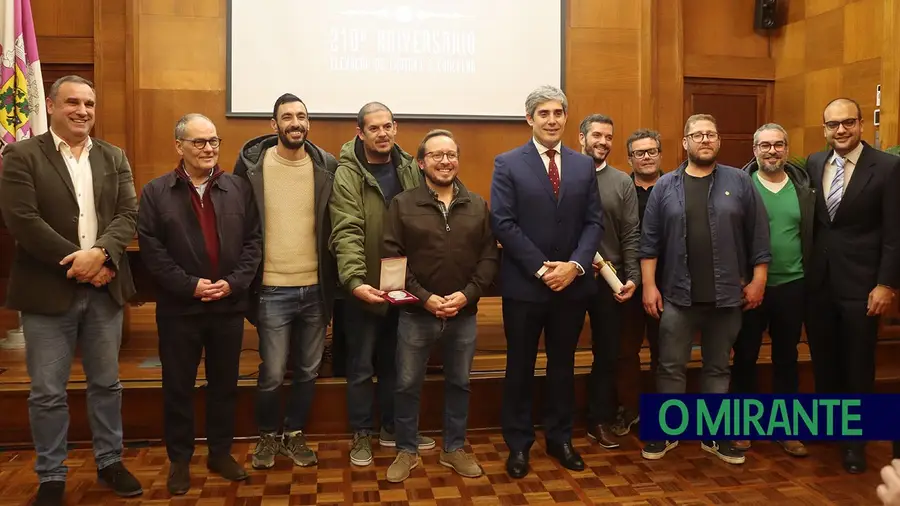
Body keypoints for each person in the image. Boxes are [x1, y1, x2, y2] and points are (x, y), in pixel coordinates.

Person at [0, 75, 142, 506]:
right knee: (46, 391)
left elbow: (128, 214)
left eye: (89, 104)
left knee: (107, 384)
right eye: (73, 103)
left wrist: (100, 253)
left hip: (105, 291)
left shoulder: (113, 156)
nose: (83, 111)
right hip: (46, 293)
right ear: (52, 106)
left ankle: (110, 461)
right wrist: (81, 264)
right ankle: (51, 475)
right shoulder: (21, 155)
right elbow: (22, 221)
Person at [138, 114, 262, 494]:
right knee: (178, 386)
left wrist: (232, 283)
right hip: (180, 309)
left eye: (213, 141)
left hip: (227, 305)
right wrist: (191, 286)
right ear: (179, 147)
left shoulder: (238, 188)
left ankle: (220, 452)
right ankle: (179, 460)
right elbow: (151, 250)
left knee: (224, 385)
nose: (209, 149)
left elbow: (254, 243)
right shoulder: (156, 192)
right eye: (199, 142)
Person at [638, 114, 770, 465]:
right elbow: (648, 242)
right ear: (685, 142)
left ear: (719, 140)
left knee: (717, 367)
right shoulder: (665, 186)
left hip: (728, 296)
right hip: (677, 296)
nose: (705, 140)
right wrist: (649, 286)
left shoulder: (740, 181)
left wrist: (759, 280)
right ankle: (667, 430)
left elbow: (758, 235)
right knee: (670, 366)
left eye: (711, 134)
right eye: (697, 135)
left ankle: (715, 435)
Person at [490, 85, 603, 479]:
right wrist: (542, 268)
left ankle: (560, 439)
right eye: (544, 114)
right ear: (530, 119)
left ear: (566, 118)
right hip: (525, 287)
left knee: (563, 366)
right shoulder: (507, 163)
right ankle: (518, 445)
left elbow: (593, 223)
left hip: (572, 286)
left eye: (558, 113)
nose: (552, 120)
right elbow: (503, 222)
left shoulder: (583, 165)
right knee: (519, 367)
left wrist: (574, 266)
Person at [382, 129, 499, 483]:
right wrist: (425, 298)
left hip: (464, 313)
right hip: (417, 315)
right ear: (421, 162)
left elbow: (489, 258)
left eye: (451, 154)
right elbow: (392, 259)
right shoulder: (403, 204)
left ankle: (454, 448)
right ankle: (406, 450)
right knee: (405, 384)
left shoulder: (477, 205)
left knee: (460, 383)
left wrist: (468, 294)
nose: (445, 161)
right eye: (436, 155)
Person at [233, 93, 339, 469]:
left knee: (308, 369)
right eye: (287, 117)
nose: (295, 122)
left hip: (316, 289)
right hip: (272, 289)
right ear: (273, 124)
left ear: (308, 123)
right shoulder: (252, 167)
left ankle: (294, 434)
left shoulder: (327, 165)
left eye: (301, 116)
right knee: (274, 370)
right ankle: (267, 435)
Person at [329, 102, 435, 467]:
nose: (382, 133)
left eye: (388, 126)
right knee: (360, 366)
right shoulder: (347, 173)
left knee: (397, 362)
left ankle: (393, 427)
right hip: (363, 290)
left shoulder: (408, 166)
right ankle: (362, 433)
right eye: (374, 128)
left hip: (403, 288)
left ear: (396, 128)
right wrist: (356, 281)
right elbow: (346, 230)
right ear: (360, 133)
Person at [805, 98, 900, 474]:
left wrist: (886, 283)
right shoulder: (814, 163)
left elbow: (895, 233)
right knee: (824, 360)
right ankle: (829, 429)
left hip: (863, 286)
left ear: (861, 124)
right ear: (824, 128)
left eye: (847, 123)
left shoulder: (889, 167)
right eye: (832, 125)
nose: (840, 130)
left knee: (858, 366)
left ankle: (854, 444)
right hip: (819, 283)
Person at [731, 123, 813, 457]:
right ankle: (740, 427)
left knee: (786, 358)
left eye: (778, 145)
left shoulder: (803, 188)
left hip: (792, 285)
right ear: (754, 150)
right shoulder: (741, 186)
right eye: (765, 145)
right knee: (745, 357)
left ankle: (787, 430)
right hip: (750, 288)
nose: (772, 151)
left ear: (786, 148)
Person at [576, 114, 639, 449]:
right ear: (581, 137)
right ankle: (560, 421)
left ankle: (598, 419)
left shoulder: (621, 182)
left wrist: (631, 278)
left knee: (608, 353)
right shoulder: (565, 176)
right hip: (570, 277)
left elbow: (631, 233)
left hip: (609, 280)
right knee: (562, 352)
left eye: (608, 137)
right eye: (596, 135)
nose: (603, 142)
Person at [613, 129, 664, 437]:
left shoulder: (675, 186)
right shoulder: (622, 188)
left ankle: (660, 415)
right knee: (625, 352)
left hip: (667, 285)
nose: (646, 157)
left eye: (652, 151)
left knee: (664, 352)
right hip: (627, 283)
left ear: (660, 154)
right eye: (639, 153)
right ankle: (628, 410)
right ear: (629, 158)